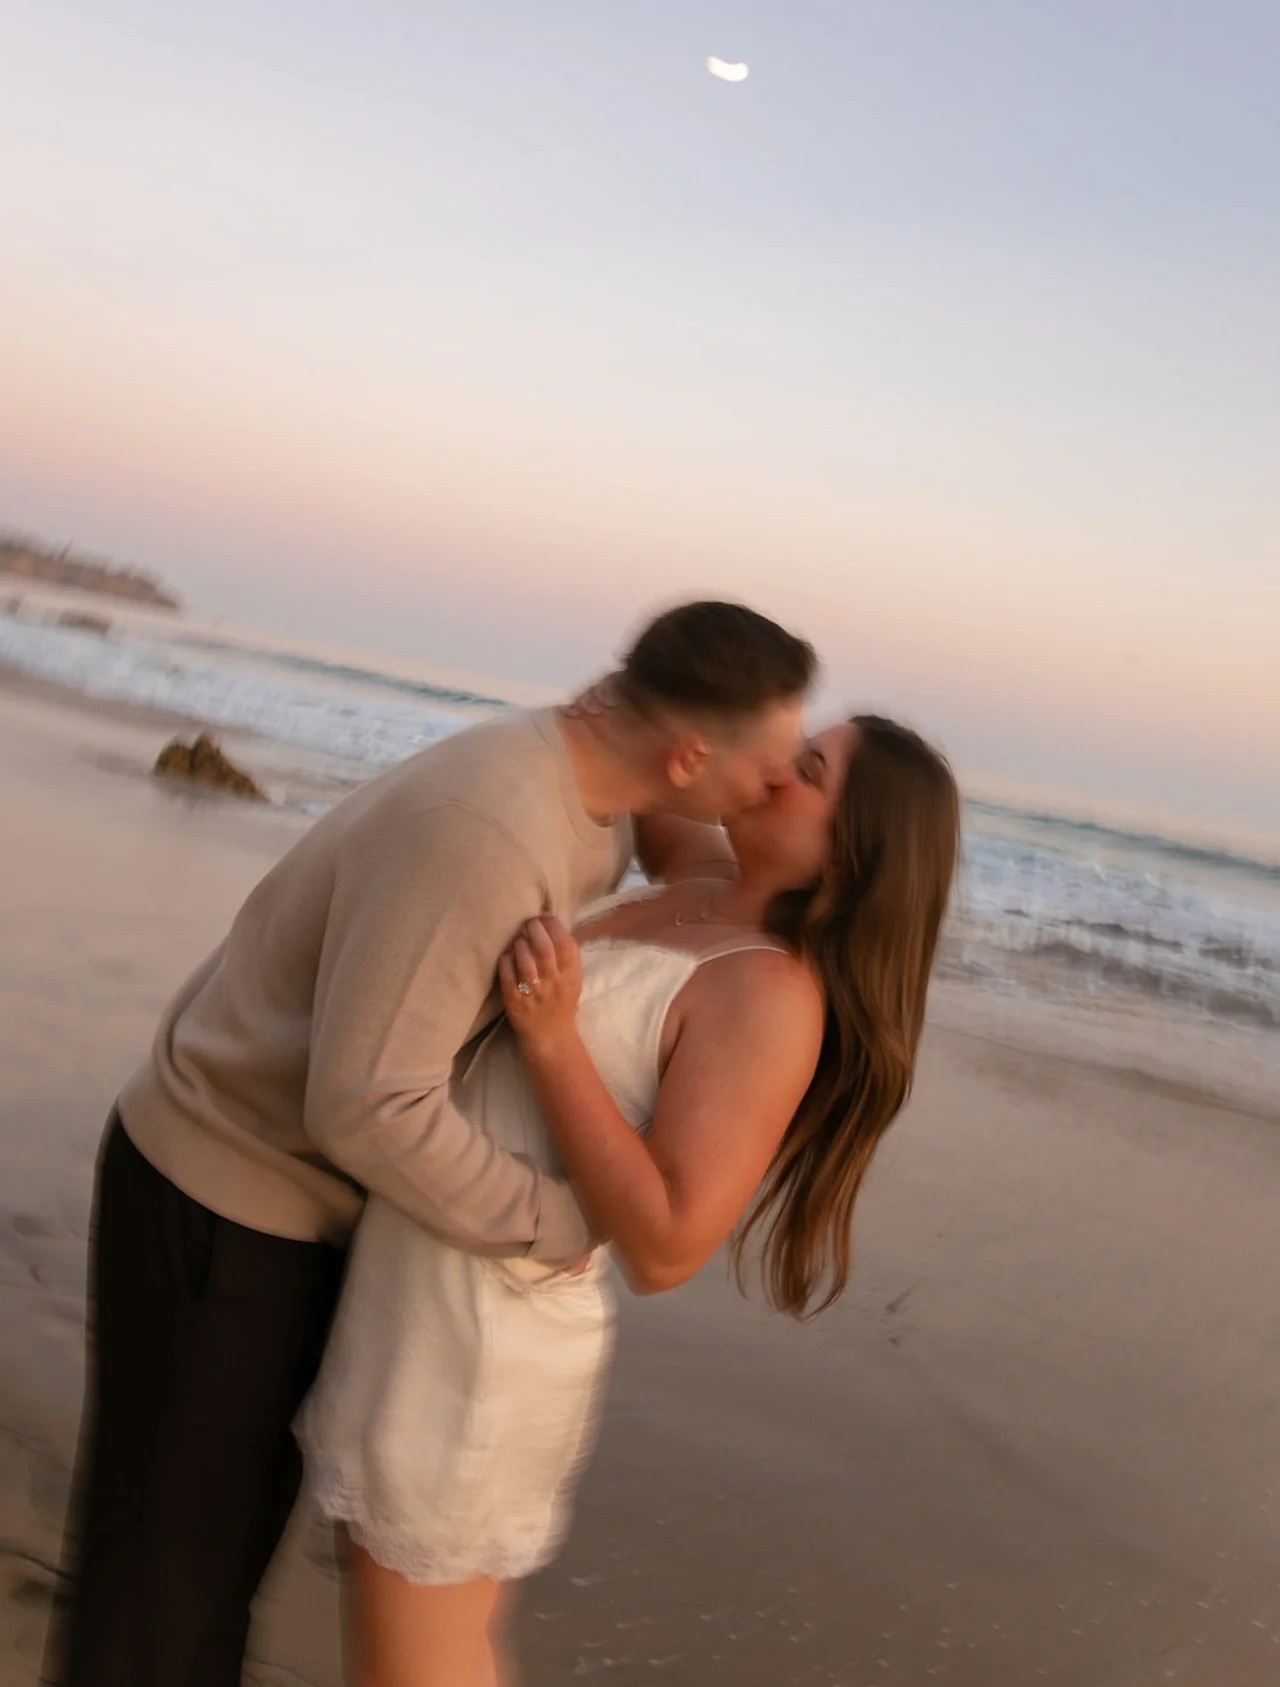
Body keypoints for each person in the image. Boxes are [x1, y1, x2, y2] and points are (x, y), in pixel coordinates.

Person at [45, 600, 817, 1687]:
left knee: (208, 1573)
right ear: (688, 752)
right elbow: (365, 1107)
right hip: (223, 1194)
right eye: (778, 763)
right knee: (164, 1596)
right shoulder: (490, 829)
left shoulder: (607, 790)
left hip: (293, 1211)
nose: (772, 786)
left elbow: (702, 844)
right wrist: (556, 1224)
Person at [298, 714, 961, 1686]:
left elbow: (665, 1248)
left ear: (848, 851)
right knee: (421, 1645)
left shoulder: (770, 998)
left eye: (806, 770)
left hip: (487, 1337)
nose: (774, 769)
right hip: (420, 1286)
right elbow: (653, 750)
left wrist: (556, 1041)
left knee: (413, 1662)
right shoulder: (699, 881)